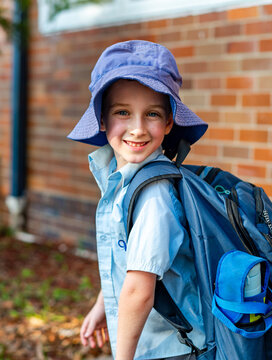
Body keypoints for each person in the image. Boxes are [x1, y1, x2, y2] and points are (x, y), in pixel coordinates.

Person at [68, 40, 208, 360]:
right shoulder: (124, 182)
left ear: (169, 122)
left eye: (152, 114)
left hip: (172, 350)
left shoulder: (154, 194)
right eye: (123, 112)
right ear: (102, 119)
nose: (138, 128)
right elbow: (125, 260)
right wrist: (102, 306)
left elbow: (139, 290)